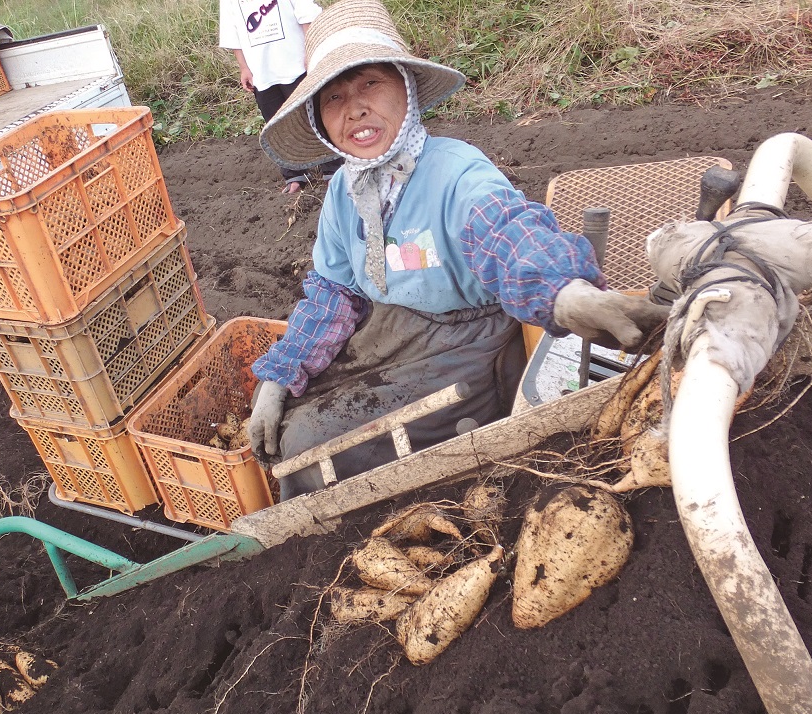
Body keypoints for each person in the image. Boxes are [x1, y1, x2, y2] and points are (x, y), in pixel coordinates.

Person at [248, 0, 671, 498]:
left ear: (405, 90)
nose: (356, 107)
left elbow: (506, 234)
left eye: (370, 84)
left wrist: (562, 293)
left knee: (306, 445)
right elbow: (334, 295)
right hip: (389, 331)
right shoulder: (345, 190)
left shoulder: (456, 173)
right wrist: (281, 374)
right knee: (292, 417)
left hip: (467, 345)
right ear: (320, 121)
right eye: (334, 97)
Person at [219, 0, 340, 193]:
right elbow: (232, 31)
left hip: (297, 63)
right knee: (276, 124)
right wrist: (243, 67)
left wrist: (310, 53)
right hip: (262, 73)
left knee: (315, 116)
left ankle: (333, 170)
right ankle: (294, 174)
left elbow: (306, 14)